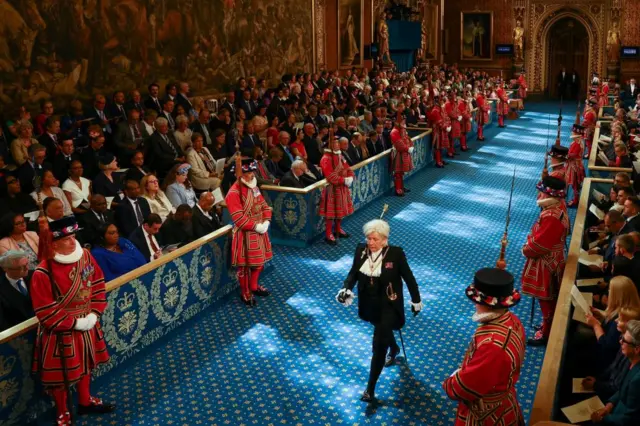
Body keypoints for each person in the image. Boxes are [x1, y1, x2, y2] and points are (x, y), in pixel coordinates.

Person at [30, 215, 116, 426]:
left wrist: (94, 313)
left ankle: (85, 401)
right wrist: (75, 323)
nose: (72, 241)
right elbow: (45, 311)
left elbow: (97, 283)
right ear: (54, 242)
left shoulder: (85, 255)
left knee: (86, 364)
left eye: (73, 236)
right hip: (61, 330)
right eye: (66, 239)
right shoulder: (42, 272)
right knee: (61, 375)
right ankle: (62, 411)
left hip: (88, 320)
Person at [336, 219, 422, 402]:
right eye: (368, 238)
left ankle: (370, 389)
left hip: (389, 305)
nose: (371, 242)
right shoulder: (361, 250)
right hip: (369, 303)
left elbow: (409, 278)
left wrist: (416, 300)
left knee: (378, 344)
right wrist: (346, 288)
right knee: (381, 330)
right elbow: (353, 273)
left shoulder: (396, 254)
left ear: (384, 240)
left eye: (375, 239)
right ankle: (395, 347)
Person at [443, 267, 525, 425]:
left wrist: (450, 383)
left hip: (487, 412)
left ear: (487, 305)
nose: (475, 305)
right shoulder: (513, 320)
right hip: (504, 400)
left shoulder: (493, 346)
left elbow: (466, 386)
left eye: (477, 302)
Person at [522, 176, 571, 346]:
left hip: (546, 262)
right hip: (554, 257)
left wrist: (526, 248)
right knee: (548, 298)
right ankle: (545, 325)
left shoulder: (551, 216)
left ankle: (546, 332)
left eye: (541, 192)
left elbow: (540, 245)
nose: (538, 194)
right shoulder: (559, 207)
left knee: (546, 299)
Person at [224, 158, 273, 306]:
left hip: (260, 230)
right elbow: (239, 219)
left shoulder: (254, 187)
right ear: (239, 175)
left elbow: (264, 205)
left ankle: (254, 286)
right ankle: (245, 293)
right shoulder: (233, 193)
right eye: (248, 173)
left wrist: (266, 221)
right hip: (245, 233)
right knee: (244, 267)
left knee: (259, 263)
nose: (252, 175)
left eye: (252, 172)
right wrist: (257, 226)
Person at [590, 320, 640, 425]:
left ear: (637, 349)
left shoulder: (638, 379)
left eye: (624, 341)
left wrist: (603, 419)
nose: (620, 342)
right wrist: (609, 406)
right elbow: (622, 390)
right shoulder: (630, 360)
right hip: (614, 410)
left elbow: (630, 418)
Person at [319, 138, 354, 245]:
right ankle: (328, 234)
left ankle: (338, 229)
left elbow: (348, 168)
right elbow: (330, 176)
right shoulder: (326, 158)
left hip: (342, 188)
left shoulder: (340, 155)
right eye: (335, 143)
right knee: (330, 214)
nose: (337, 145)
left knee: (340, 211)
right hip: (332, 189)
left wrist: (351, 177)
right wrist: (343, 180)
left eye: (338, 143)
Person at [0, 250, 34, 331]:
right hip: (21, 333)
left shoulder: (35, 275)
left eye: (26, 264)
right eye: (20, 267)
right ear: (5, 269)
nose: (27, 268)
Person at [390, 118, 414, 196]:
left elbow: (407, 139)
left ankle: (401, 187)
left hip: (404, 152)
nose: (403, 123)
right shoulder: (394, 132)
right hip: (398, 154)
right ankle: (398, 189)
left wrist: (410, 145)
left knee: (401, 172)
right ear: (396, 122)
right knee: (398, 172)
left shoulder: (402, 129)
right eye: (402, 121)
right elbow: (399, 144)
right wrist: (407, 148)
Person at [566, 124, 586, 207]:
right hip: (577, 164)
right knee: (575, 185)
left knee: (575, 185)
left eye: (573, 132)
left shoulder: (577, 143)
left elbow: (571, 155)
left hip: (575, 167)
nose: (571, 132)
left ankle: (576, 201)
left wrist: (563, 156)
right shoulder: (578, 141)